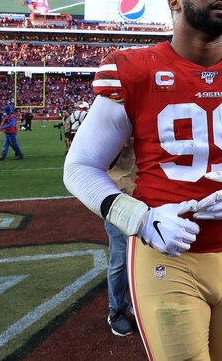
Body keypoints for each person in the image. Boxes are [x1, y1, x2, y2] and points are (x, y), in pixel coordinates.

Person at [63, 0, 222, 360]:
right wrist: (141, 219)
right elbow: (79, 167)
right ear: (174, 2)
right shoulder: (134, 71)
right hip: (165, 259)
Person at [105, 139, 137, 337]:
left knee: (153, 256)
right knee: (120, 259)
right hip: (121, 198)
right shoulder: (117, 114)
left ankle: (139, 304)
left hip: (150, 197)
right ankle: (116, 310)